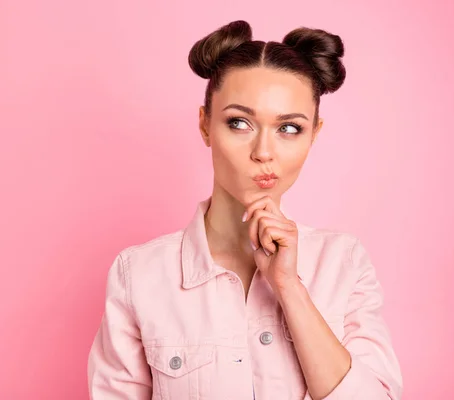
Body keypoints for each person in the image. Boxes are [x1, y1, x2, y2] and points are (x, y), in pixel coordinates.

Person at [87, 20, 403, 400]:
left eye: (289, 128)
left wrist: (289, 288)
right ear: (205, 125)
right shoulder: (139, 275)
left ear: (314, 135)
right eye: (239, 123)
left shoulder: (343, 263)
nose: (264, 152)